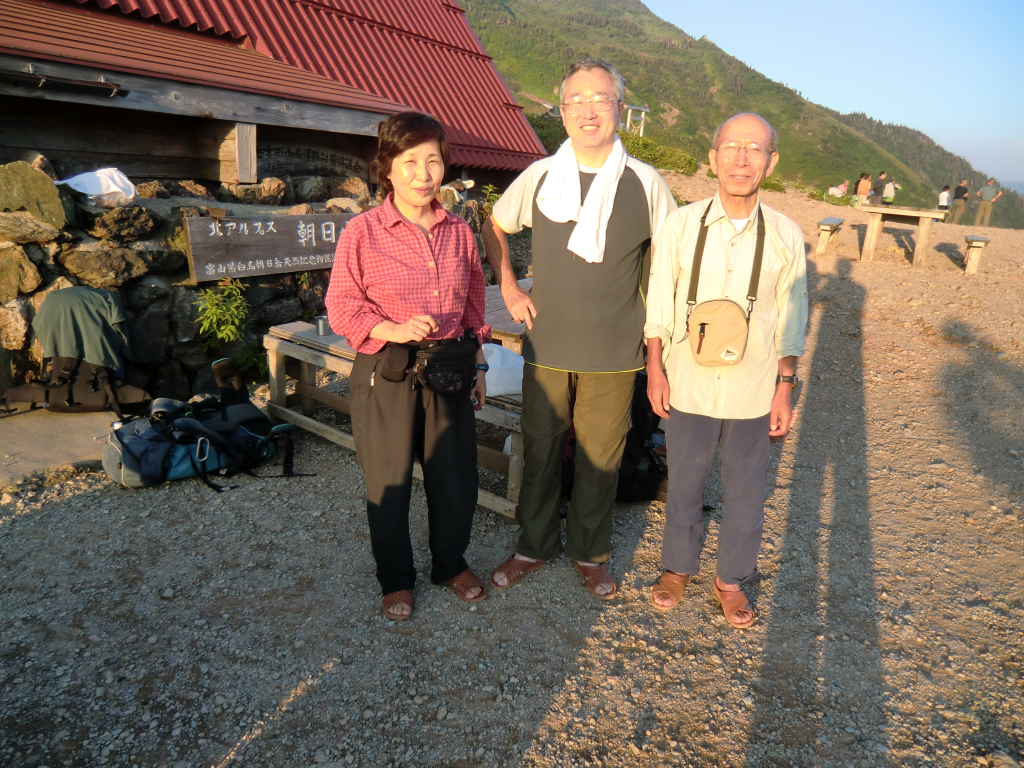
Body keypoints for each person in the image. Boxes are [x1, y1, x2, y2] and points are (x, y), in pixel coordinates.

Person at [481, 57, 675, 599]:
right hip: (549, 344)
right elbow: (495, 223)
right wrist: (509, 287)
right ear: (562, 111)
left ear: (620, 107)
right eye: (576, 101)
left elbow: (669, 265)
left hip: (617, 348)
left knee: (602, 454)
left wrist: (659, 351)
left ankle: (590, 552)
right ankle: (533, 545)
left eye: (601, 99)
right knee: (541, 448)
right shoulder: (542, 176)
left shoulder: (645, 182)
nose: (589, 111)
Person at [644, 112, 808, 629]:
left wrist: (785, 387)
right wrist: (654, 367)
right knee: (685, 480)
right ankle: (677, 568)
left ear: (770, 161)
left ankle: (731, 578)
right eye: (730, 147)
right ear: (712, 157)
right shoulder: (680, 224)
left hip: (753, 385)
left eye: (754, 148)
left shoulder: (785, 233)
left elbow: (792, 316)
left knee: (745, 489)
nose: (741, 158)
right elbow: (659, 303)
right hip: (687, 379)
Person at [325, 111, 491, 620]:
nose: (423, 173)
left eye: (433, 161)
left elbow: (473, 305)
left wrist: (479, 363)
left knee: (455, 479)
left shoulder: (460, 231)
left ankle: (450, 564)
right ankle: (396, 578)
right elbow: (342, 304)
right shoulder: (363, 231)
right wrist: (391, 329)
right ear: (388, 168)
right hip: (387, 372)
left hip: (449, 369)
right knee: (389, 482)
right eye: (410, 161)